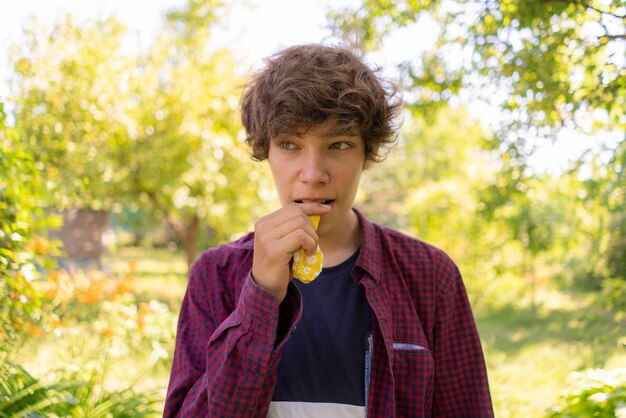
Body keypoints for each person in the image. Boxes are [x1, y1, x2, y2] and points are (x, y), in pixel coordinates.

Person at [164, 43, 493, 417]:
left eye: (338, 144)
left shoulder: (431, 276)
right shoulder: (215, 275)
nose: (313, 174)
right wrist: (261, 295)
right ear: (265, 151)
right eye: (289, 144)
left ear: (367, 154)